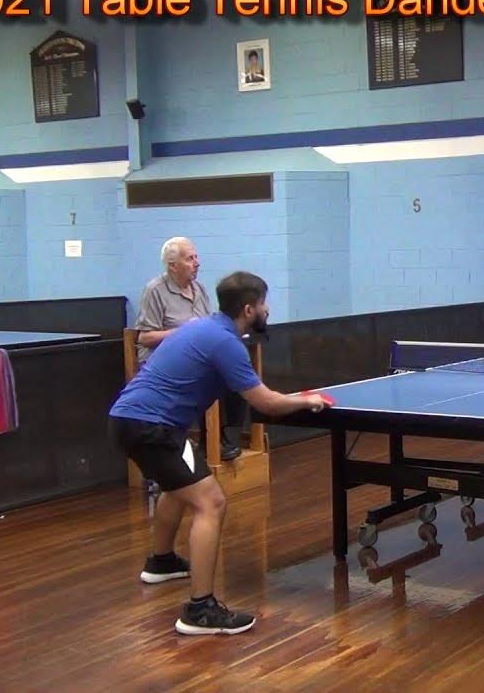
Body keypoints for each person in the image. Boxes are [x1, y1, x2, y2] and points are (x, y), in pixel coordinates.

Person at [109, 271, 332, 636]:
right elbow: (266, 403)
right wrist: (307, 400)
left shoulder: (202, 327)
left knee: (177, 487)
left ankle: (162, 562)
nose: (267, 309)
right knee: (211, 503)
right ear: (249, 309)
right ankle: (200, 610)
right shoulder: (226, 343)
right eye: (263, 304)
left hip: (129, 419)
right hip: (152, 427)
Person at [135, 237, 248, 461]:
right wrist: (185, 331)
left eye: (196, 257)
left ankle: (226, 437)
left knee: (234, 371)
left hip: (197, 357)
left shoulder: (199, 289)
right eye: (190, 259)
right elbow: (144, 337)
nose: (197, 263)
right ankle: (207, 442)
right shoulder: (155, 290)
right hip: (165, 362)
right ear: (172, 265)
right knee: (208, 378)